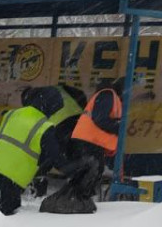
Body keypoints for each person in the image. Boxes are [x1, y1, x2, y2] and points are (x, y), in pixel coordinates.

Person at [0, 85, 70, 216]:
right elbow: (56, 158)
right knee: (7, 211)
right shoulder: (44, 126)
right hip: (14, 173)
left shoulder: (12, 114)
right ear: (50, 106)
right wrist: (75, 169)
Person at [43, 77, 125, 212]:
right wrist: (119, 127)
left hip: (89, 141)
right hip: (89, 141)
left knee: (88, 173)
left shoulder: (109, 96)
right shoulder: (107, 95)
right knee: (90, 173)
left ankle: (75, 201)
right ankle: (74, 202)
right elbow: (101, 119)